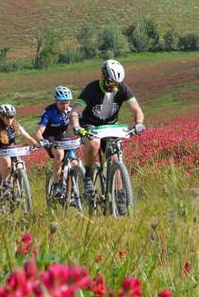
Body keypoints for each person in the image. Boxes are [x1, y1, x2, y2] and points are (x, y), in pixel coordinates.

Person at [71, 59, 146, 196]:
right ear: (103, 75)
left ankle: (120, 194)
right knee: (94, 143)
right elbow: (75, 112)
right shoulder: (92, 88)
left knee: (115, 158)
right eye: (111, 82)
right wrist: (76, 126)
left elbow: (137, 110)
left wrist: (139, 123)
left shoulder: (122, 88)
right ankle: (88, 176)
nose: (113, 86)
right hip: (90, 123)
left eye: (116, 83)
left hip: (110, 126)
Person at [0, 104, 39, 190]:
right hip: (0, 150)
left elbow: (27, 136)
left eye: (12, 117)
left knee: (19, 163)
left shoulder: (16, 125)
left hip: (12, 149)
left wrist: (36, 143)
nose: (10, 119)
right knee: (7, 163)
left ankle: (20, 183)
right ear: (2, 117)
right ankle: (4, 183)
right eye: (7, 117)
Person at [35, 85, 77, 197]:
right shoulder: (49, 112)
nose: (65, 106)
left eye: (67, 102)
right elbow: (39, 132)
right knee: (59, 153)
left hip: (63, 136)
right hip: (49, 137)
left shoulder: (71, 110)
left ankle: (71, 191)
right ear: (56, 101)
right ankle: (57, 184)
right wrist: (42, 140)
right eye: (61, 103)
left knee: (74, 163)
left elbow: (77, 125)